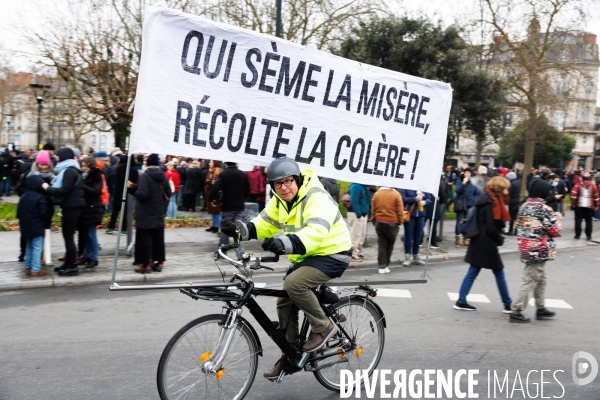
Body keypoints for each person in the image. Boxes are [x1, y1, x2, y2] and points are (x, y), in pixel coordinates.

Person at [227, 157, 352, 381]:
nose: (284, 187)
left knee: (295, 284)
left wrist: (282, 243)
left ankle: (323, 327)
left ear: (297, 179)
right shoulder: (280, 200)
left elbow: (315, 233)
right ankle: (291, 353)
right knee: (284, 299)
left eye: (288, 181)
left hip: (333, 254)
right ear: (272, 186)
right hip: (307, 255)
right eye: (278, 183)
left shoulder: (316, 197)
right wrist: (239, 232)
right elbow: (264, 223)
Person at [453, 177, 513, 313]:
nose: (507, 191)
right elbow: (491, 227)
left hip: (478, 241)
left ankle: (461, 301)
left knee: (473, 272)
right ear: (499, 189)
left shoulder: (486, 199)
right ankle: (508, 304)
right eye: (505, 188)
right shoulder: (491, 203)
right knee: (499, 272)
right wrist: (500, 239)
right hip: (487, 242)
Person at [510, 179, 562, 323]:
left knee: (541, 279)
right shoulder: (544, 209)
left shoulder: (524, 206)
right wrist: (558, 218)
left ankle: (540, 308)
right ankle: (516, 310)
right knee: (530, 279)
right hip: (539, 249)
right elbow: (556, 230)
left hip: (525, 247)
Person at [42, 147, 85, 276]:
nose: (56, 158)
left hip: (72, 207)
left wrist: (48, 188)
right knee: (68, 236)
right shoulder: (71, 169)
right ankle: (69, 263)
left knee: (68, 237)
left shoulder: (69, 171)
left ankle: (72, 265)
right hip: (72, 206)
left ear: (64, 157)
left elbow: (63, 190)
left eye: (58, 156)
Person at [130, 153, 171, 273]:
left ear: (148, 163)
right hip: (158, 211)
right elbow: (168, 192)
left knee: (144, 238)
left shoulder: (145, 176)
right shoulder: (162, 175)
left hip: (145, 212)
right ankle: (159, 263)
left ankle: (145, 265)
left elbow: (143, 195)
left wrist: (133, 189)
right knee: (158, 237)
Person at [209, 162, 250, 260]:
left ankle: (223, 252)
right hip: (239, 207)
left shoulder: (223, 174)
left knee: (225, 230)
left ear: (226, 163)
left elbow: (215, 187)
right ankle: (240, 254)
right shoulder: (242, 174)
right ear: (236, 163)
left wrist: (211, 198)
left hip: (227, 206)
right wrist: (242, 199)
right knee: (239, 230)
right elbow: (248, 190)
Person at [77, 157, 104, 269]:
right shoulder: (83, 176)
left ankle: (94, 258)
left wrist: (83, 186)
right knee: (86, 234)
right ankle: (87, 256)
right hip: (86, 208)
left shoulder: (96, 176)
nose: (83, 168)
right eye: (82, 166)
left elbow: (96, 191)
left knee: (91, 234)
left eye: (85, 166)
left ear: (90, 165)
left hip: (93, 208)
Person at [17, 174, 47, 276]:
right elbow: (44, 213)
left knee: (29, 246)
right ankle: (35, 268)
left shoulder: (23, 196)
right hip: (37, 226)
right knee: (37, 247)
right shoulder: (40, 197)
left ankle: (28, 265)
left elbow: (18, 212)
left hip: (25, 226)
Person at [370, 186, 404, 273]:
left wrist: (373, 220)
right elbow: (400, 211)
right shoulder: (396, 194)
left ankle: (381, 266)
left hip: (379, 221)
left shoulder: (376, 194)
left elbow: (373, 210)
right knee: (390, 245)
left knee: (381, 244)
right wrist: (400, 221)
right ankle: (386, 265)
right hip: (392, 222)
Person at [399, 189, 432, 266]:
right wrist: (415, 199)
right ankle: (407, 256)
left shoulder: (423, 187)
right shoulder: (406, 186)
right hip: (409, 215)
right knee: (408, 237)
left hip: (421, 215)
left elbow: (429, 199)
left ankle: (415, 256)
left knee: (418, 236)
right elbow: (402, 198)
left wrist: (425, 202)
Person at [106, 155, 139, 234]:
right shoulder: (134, 170)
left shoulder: (119, 168)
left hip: (118, 191)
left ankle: (111, 227)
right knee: (125, 211)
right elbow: (134, 182)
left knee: (115, 210)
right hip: (128, 192)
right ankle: (124, 229)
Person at [570, 170, 600, 240]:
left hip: (579, 205)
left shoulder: (578, 185)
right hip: (589, 205)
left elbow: (573, 194)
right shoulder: (593, 186)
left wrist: (573, 202)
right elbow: (596, 197)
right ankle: (588, 236)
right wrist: (596, 205)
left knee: (578, 220)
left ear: (582, 178)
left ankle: (577, 235)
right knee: (588, 220)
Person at [454, 168, 480, 245]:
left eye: (468, 173)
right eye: (466, 173)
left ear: (471, 174)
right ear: (463, 174)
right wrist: (463, 183)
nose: (467, 175)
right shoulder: (460, 180)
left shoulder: (473, 182)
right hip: (461, 203)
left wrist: (474, 200)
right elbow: (457, 191)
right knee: (459, 220)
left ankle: (465, 238)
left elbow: (477, 193)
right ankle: (457, 237)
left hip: (470, 204)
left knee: (467, 221)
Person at [347, 182, 370, 262]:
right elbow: (354, 201)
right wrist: (359, 213)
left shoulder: (364, 187)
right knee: (355, 234)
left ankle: (359, 251)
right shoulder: (356, 186)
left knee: (361, 234)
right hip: (356, 213)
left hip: (362, 213)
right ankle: (352, 254)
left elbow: (367, 200)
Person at [204, 160, 222, 232]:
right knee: (212, 210)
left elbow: (215, 183)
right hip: (210, 192)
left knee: (216, 210)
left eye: (211, 162)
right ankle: (214, 225)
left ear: (215, 163)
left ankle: (216, 226)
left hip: (215, 193)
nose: (209, 163)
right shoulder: (211, 171)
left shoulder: (217, 171)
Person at [506, 171, 521, 236]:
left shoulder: (512, 183)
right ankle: (516, 230)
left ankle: (510, 230)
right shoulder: (518, 182)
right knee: (516, 216)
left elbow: (510, 193)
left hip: (512, 200)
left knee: (511, 216)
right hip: (517, 199)